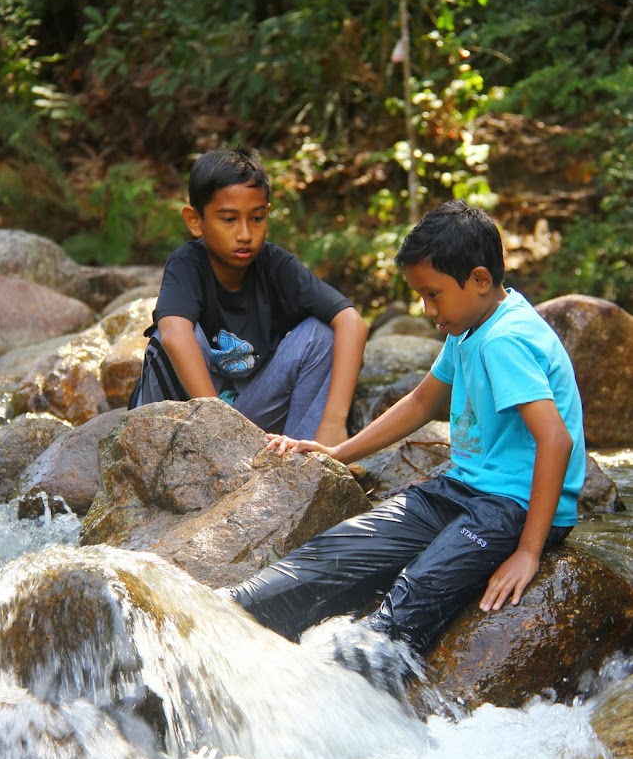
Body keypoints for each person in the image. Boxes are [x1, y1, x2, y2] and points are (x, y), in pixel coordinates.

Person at [227, 200, 586, 663]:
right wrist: (337, 451)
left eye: (433, 294)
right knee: (340, 551)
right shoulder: (470, 327)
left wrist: (530, 552)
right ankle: (233, 615)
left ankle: (334, 688)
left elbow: (555, 439)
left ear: (479, 279)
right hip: (463, 489)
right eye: (420, 294)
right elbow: (422, 401)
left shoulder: (505, 340)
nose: (426, 308)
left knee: (415, 591)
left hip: (512, 507)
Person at [129, 146, 368, 444]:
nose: (244, 233)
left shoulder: (277, 266)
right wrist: (219, 425)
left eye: (256, 219)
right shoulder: (187, 263)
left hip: (249, 415)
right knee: (168, 337)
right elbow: (175, 335)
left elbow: (352, 322)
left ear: (267, 214)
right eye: (229, 219)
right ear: (195, 220)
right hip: (184, 418)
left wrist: (334, 422)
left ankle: (304, 461)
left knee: (323, 334)